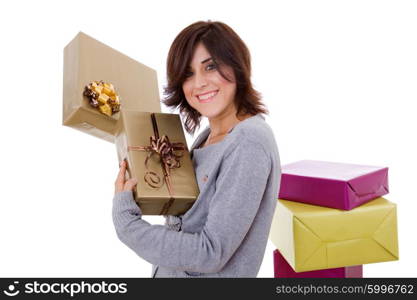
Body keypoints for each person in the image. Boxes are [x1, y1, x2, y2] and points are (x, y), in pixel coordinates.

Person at [112, 20, 281, 278]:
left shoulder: (248, 142)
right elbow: (183, 224)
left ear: (237, 67)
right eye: (188, 74)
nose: (199, 83)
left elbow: (210, 252)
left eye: (210, 66)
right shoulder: (207, 136)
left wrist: (128, 225)